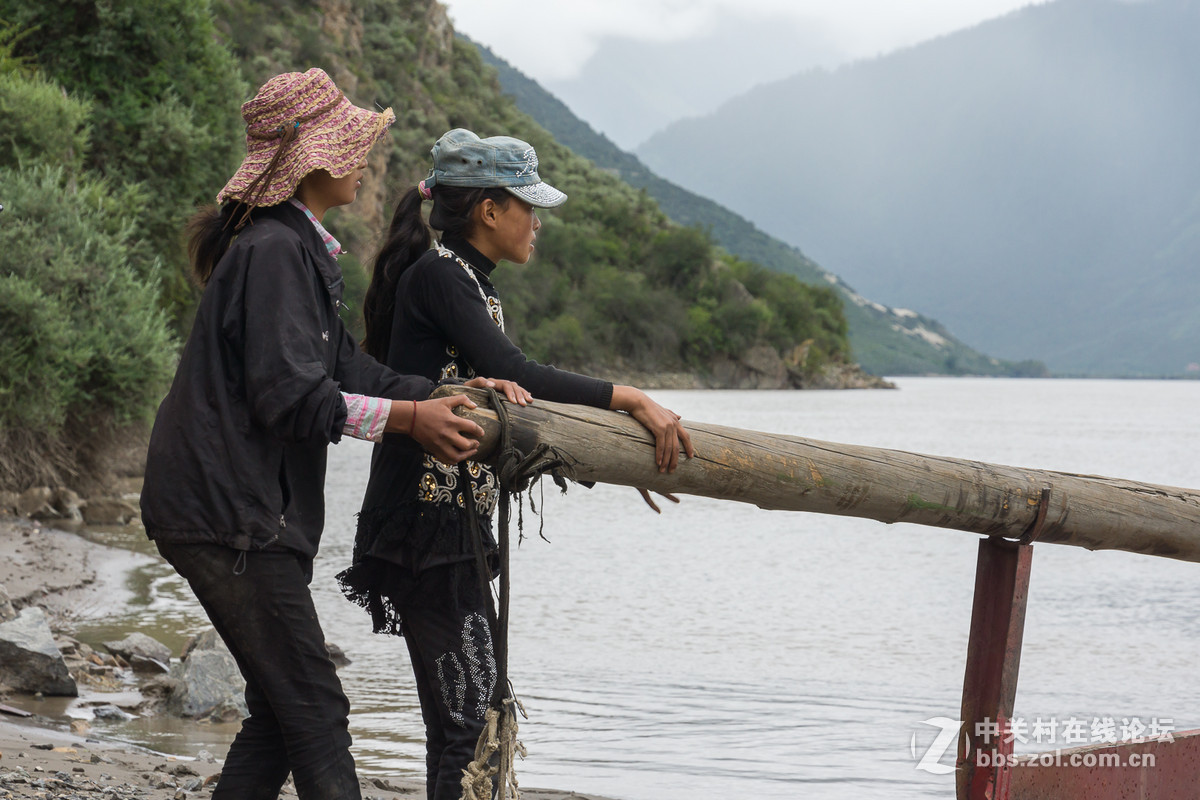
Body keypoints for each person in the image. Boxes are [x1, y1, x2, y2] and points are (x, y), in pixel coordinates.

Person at [140, 72, 524, 800]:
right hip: (228, 516)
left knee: (279, 716)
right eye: (351, 145)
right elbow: (290, 397)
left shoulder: (296, 249)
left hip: (233, 511)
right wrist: (411, 420)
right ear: (310, 160)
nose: (364, 160)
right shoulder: (274, 253)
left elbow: (348, 368)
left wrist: (445, 393)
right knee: (316, 711)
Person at [338, 128, 694, 799]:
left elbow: (512, 397)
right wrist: (631, 398)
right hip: (427, 527)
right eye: (528, 206)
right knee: (470, 729)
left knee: (463, 725)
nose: (537, 223)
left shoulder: (464, 279)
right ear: (489, 210)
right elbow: (515, 372)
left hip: (446, 529)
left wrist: (616, 457)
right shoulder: (442, 276)